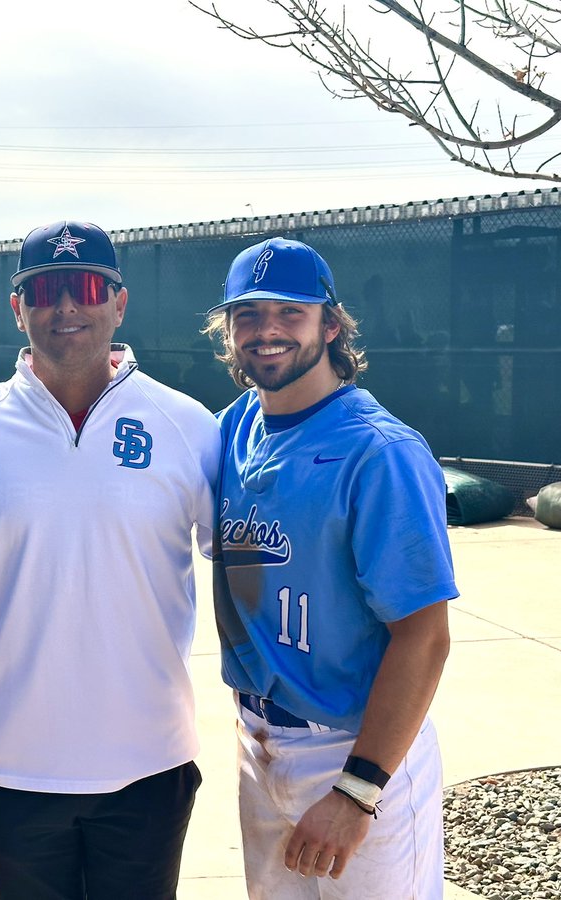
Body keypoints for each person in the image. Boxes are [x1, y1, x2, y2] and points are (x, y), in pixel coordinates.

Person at [0, 220, 220, 899]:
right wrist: (17, 566)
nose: (66, 308)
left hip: (149, 763)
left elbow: (237, 559)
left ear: (118, 302)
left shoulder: (189, 427)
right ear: (18, 307)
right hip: (12, 765)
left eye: (86, 287)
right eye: (46, 290)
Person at [203, 237, 456, 898]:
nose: (267, 331)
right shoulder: (234, 428)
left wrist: (357, 788)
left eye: (291, 313)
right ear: (228, 331)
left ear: (331, 324)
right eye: (249, 315)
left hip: (352, 750)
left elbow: (424, 637)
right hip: (258, 743)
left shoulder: (380, 452)